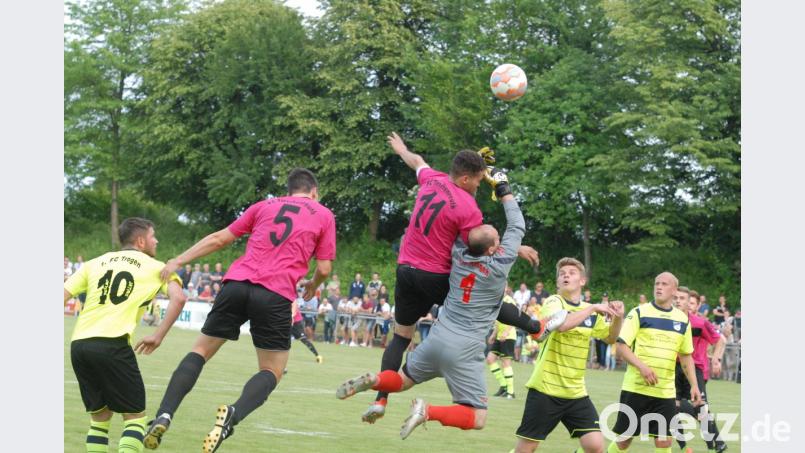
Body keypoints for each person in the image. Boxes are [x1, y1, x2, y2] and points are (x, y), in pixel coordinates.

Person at [336, 179, 567, 439]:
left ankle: (375, 381)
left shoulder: (458, 254)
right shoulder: (499, 263)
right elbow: (516, 223)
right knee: (477, 417)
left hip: (437, 338)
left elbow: (451, 228)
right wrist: (503, 188)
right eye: (498, 240)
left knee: (400, 381)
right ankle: (428, 412)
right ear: (493, 249)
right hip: (465, 348)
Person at [143, 168, 335, 453]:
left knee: (200, 351)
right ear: (314, 192)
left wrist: (178, 260)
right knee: (272, 370)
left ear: (289, 189)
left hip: (236, 284)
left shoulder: (264, 206)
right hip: (275, 293)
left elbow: (220, 239)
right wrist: (313, 285)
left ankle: (164, 414)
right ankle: (232, 415)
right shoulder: (322, 214)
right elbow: (323, 268)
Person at [364, 132, 545, 424]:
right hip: (434, 274)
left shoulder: (432, 178)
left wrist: (401, 150)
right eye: (477, 179)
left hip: (405, 269)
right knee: (483, 299)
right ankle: (534, 326)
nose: (478, 184)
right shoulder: (468, 207)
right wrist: (515, 247)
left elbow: (417, 161)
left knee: (400, 337)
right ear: (465, 179)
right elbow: (478, 245)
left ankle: (381, 399)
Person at [64, 217, 187, 453]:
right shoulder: (157, 268)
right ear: (141, 241)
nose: (157, 240)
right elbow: (179, 298)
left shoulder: (94, 263)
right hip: (112, 345)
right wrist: (158, 335)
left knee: (100, 419)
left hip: (79, 345)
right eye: (153, 236)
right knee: (135, 418)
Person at [511, 258, 624, 453]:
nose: (566, 275)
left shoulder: (591, 312)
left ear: (582, 281)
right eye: (562, 273)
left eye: (572, 272)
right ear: (557, 283)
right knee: (526, 449)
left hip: (576, 393)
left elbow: (610, 338)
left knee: (595, 446)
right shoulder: (554, 301)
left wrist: (618, 317)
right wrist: (592, 308)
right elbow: (561, 324)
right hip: (545, 389)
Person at [607, 272, 702, 453]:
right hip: (636, 388)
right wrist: (642, 367)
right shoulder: (639, 312)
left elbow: (686, 356)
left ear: (674, 290)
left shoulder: (682, 320)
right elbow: (621, 346)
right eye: (657, 283)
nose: (658, 287)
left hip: (665, 392)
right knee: (624, 440)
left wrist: (694, 386)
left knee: (664, 441)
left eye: (664, 284)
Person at [674, 288, 728, 453]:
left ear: (697, 305)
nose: (679, 301)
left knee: (700, 408)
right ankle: (684, 448)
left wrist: (716, 360)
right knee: (673, 408)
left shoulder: (699, 323)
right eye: (676, 298)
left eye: (685, 299)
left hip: (695, 369)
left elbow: (720, 340)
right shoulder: (667, 320)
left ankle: (716, 445)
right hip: (673, 368)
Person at [487, 296, 518, 399]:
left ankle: (511, 392)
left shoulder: (508, 300)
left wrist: (506, 331)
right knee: (490, 359)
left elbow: (514, 317)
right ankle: (503, 385)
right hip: (499, 335)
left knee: (505, 363)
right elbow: (498, 320)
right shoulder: (497, 299)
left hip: (508, 336)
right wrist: (493, 335)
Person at [291, 296, 323, 362]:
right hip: (288, 321)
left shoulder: (291, 298)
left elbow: (294, 308)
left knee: (303, 340)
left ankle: (318, 355)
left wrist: (292, 316)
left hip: (296, 322)